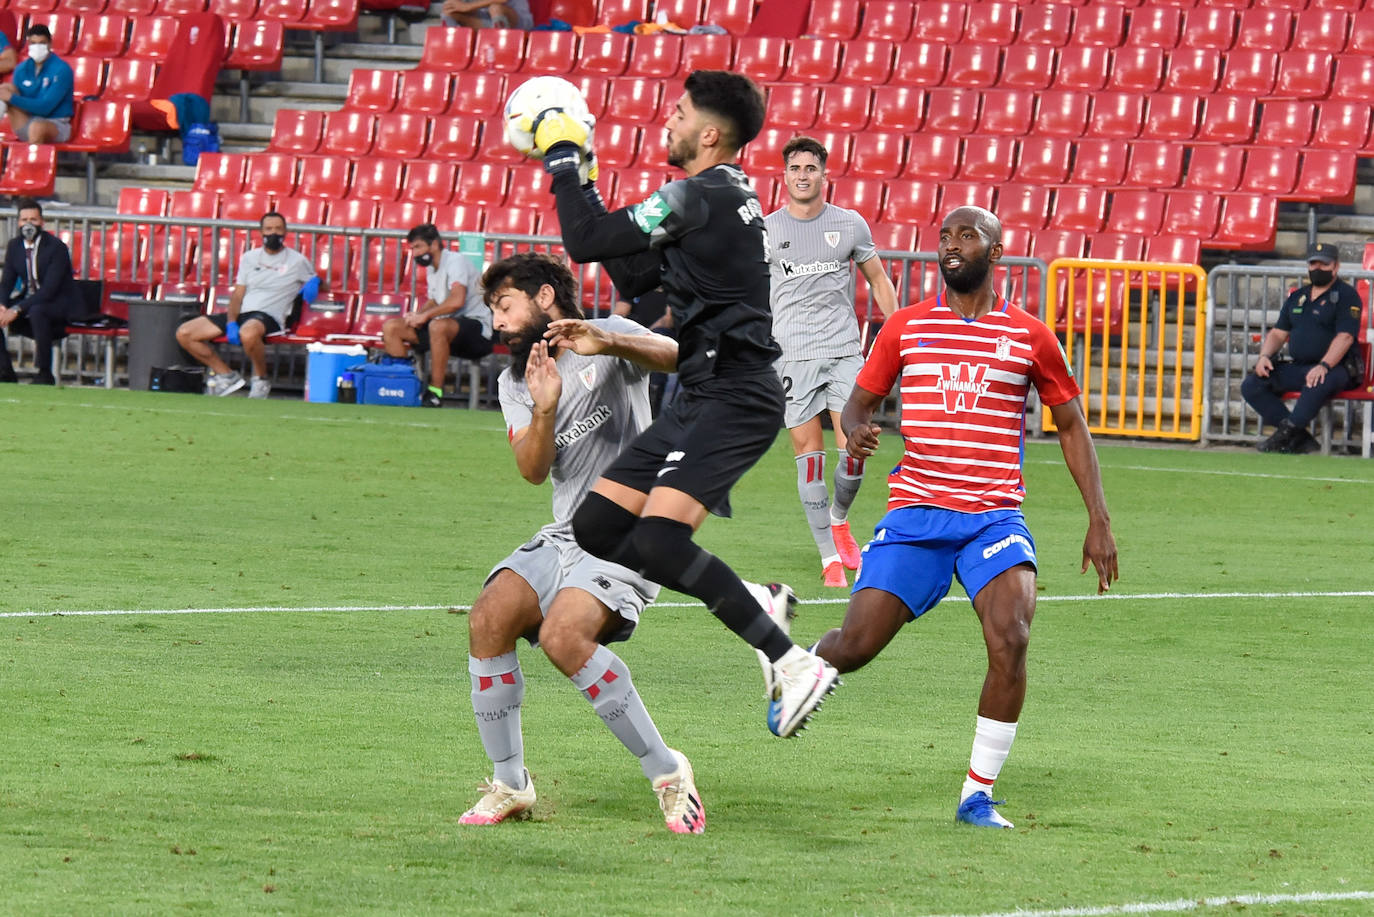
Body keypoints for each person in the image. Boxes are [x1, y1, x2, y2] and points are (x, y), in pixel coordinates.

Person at [529, 69, 841, 738]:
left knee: (660, 538)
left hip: (736, 395)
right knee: (598, 529)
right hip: (701, 391)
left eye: (676, 112)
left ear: (707, 133)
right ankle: (754, 598)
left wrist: (562, 160)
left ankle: (793, 663)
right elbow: (634, 270)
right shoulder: (720, 198)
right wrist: (585, 178)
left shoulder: (697, 195)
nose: (665, 122)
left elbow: (587, 242)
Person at [809, 206, 1119, 829]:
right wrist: (859, 432)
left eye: (967, 235)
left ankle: (976, 794)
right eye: (945, 236)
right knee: (857, 645)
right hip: (917, 511)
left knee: (1012, 637)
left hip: (993, 518)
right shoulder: (904, 327)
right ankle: (795, 668)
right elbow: (858, 406)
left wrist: (1099, 519)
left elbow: (1071, 424)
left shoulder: (1031, 336)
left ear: (996, 253)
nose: (951, 245)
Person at [459, 252, 705, 833]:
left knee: (565, 637)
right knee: (488, 619)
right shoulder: (514, 380)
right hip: (567, 531)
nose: (495, 321)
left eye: (504, 305)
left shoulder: (610, 335)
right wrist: (544, 410)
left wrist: (611, 344)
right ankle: (511, 784)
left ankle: (669, 773)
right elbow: (532, 469)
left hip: (631, 533)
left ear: (545, 298)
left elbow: (681, 358)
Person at [765, 136, 899, 589]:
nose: (803, 175)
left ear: (825, 175)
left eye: (811, 168)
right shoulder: (766, 230)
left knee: (855, 446)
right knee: (809, 453)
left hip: (844, 351)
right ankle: (829, 557)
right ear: (784, 176)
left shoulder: (849, 225)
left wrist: (895, 337)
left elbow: (879, 280)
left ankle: (839, 519)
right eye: (795, 168)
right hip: (792, 356)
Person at [175, 211, 319, 398]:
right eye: (268, 229)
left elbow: (316, 280)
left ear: (285, 232)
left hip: (270, 315)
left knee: (248, 333)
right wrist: (231, 322)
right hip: (244, 312)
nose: (273, 233)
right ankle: (226, 375)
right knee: (185, 333)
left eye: (278, 229)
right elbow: (238, 294)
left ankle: (261, 380)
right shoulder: (250, 257)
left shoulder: (297, 260)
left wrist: (315, 282)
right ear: (261, 232)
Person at [1241, 242, 1364, 455]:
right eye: (1313, 263)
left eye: (1324, 264)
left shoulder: (1346, 295)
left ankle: (1284, 436)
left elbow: (1345, 337)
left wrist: (1324, 365)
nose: (1318, 269)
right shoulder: (1298, 296)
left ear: (1336, 267)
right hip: (1300, 366)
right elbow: (1279, 333)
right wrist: (1264, 356)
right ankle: (1299, 438)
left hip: (1337, 368)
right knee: (1252, 384)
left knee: (1317, 382)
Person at [379, 224, 493, 408]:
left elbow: (457, 300)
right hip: (447, 326)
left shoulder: (455, 261)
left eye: (417, 247)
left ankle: (435, 393)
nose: (414, 253)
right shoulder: (432, 267)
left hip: (477, 329)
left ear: (433, 245)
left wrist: (426, 317)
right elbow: (435, 299)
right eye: (412, 249)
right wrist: (418, 315)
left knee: (437, 326)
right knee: (392, 327)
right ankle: (400, 387)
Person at [0, 198, 83, 385]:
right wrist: (3, 305)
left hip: (59, 303)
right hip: (29, 302)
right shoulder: (14, 246)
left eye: (33, 220)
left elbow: (49, 290)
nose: (28, 224)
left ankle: (44, 373)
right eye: (24, 220)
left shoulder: (56, 247)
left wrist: (17, 309)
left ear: (42, 223)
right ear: (18, 222)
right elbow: (6, 282)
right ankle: (5, 372)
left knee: (38, 311)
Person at [0, 25, 74, 144]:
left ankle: (28, 161)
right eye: (33, 43)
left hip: (55, 124)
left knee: (36, 127)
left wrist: (11, 98)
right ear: (28, 44)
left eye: (42, 43)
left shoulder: (62, 70)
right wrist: (8, 96)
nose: (37, 47)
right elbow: (15, 100)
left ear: (50, 45)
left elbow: (45, 108)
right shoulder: (21, 69)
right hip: (27, 120)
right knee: (5, 88)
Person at [441, 0, 533, 29]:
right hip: (486, 19)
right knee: (450, 10)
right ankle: (453, 51)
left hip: (518, 20)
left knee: (495, 8)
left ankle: (502, 49)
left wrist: (467, 7)